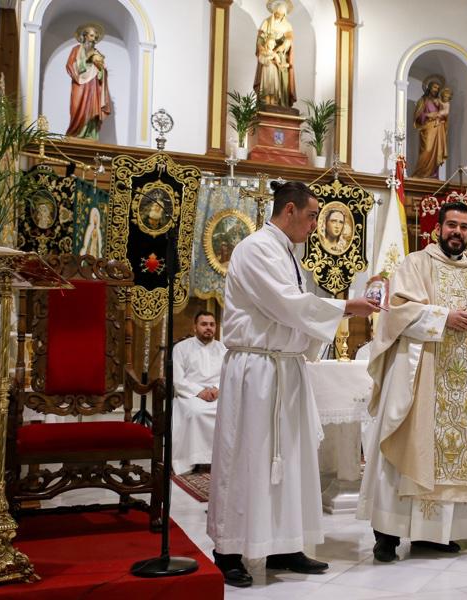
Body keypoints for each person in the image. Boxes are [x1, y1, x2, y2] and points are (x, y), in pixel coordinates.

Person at [207, 181, 380, 587]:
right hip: (257, 371)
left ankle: (284, 544)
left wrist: (335, 312)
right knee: (249, 457)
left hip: (284, 368)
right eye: (311, 215)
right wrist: (345, 307)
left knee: (291, 459)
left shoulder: (286, 251)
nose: (315, 223)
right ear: (288, 210)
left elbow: (295, 310)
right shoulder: (256, 249)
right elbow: (287, 304)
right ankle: (229, 549)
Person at [357, 201, 467, 562]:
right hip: (420, 375)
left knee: (451, 453)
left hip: (464, 376)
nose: (457, 231)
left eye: (464, 226)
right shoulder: (416, 264)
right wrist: (443, 317)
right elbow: (399, 308)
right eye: (451, 225)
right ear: (437, 228)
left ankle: (435, 535)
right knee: (408, 449)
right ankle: (387, 535)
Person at [172, 311, 227, 475]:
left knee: (228, 412)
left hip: (218, 394)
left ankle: (221, 460)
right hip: (190, 394)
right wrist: (199, 392)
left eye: (211, 324)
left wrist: (217, 388)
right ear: (195, 327)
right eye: (204, 324)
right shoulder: (181, 348)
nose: (208, 328)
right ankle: (192, 459)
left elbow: (229, 374)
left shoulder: (223, 349)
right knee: (196, 412)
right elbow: (178, 379)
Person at [65, 23, 110, 139]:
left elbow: (102, 71)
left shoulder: (97, 53)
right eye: (91, 36)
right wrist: (87, 61)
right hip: (79, 84)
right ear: (84, 36)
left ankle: (90, 134)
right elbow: (70, 65)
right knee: (77, 107)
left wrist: (101, 68)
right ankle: (76, 133)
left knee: (92, 108)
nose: (93, 39)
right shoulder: (76, 50)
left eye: (95, 37)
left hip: (93, 86)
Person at [254, 0, 296, 109]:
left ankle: (282, 103)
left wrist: (282, 47)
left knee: (281, 81)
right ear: (274, 12)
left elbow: (289, 40)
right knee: (267, 83)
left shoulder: (287, 25)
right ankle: (266, 102)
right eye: (277, 14)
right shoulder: (267, 22)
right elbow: (260, 39)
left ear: (284, 14)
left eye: (281, 15)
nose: (278, 16)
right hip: (267, 54)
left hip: (281, 55)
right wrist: (263, 49)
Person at [412, 79, 448, 178]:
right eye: (434, 87)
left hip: (438, 129)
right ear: (429, 88)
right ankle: (420, 173)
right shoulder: (423, 100)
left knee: (436, 152)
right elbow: (417, 116)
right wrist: (427, 115)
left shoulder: (439, 102)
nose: (436, 90)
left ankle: (433, 175)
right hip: (427, 128)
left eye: (438, 88)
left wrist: (441, 116)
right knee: (427, 150)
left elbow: (445, 115)